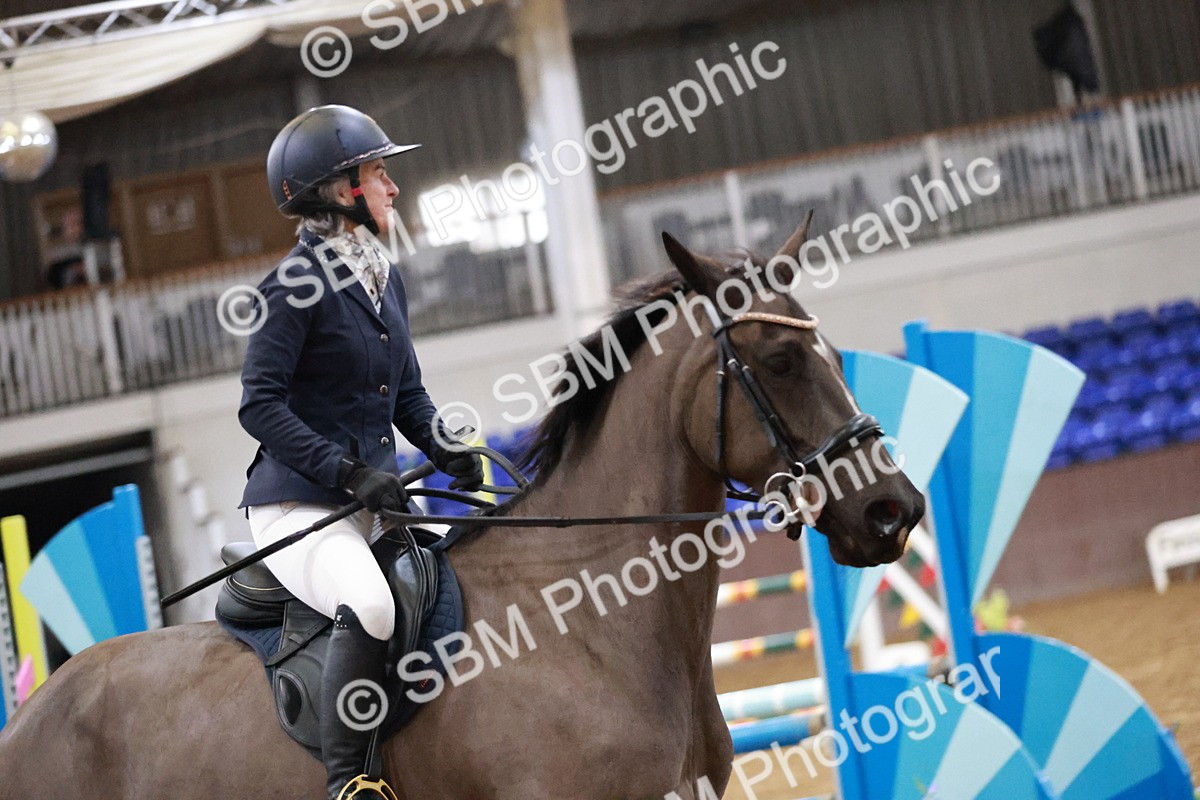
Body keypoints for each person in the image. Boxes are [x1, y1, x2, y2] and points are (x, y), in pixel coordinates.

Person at [239, 104, 483, 800]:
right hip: (296, 505)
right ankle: (351, 782)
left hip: (373, 501)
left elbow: (407, 395)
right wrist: (347, 473)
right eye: (380, 174)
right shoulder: (291, 285)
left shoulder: (384, 276)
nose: (393, 188)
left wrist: (445, 446)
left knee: (463, 575)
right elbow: (260, 405)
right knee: (373, 606)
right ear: (342, 190)